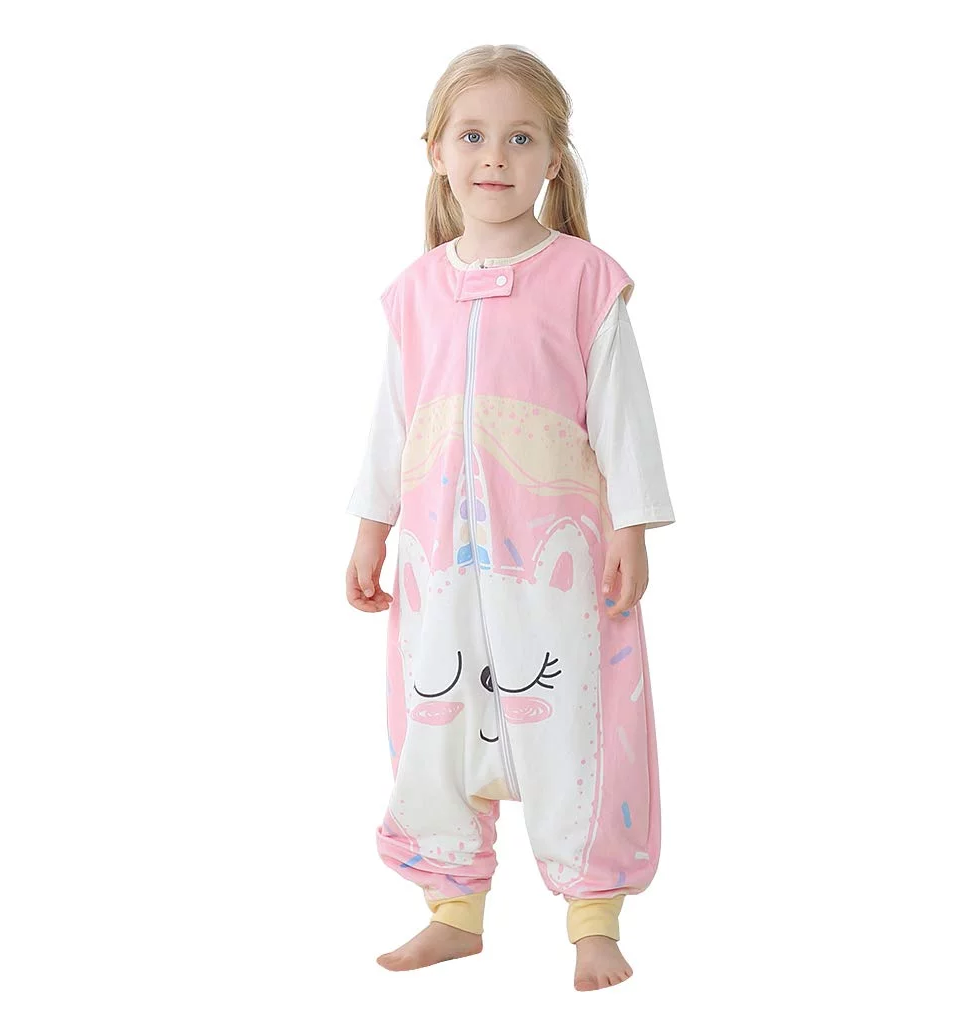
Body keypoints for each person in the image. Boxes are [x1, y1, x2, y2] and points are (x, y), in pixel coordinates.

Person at [344, 44, 676, 992]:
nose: (495, 155)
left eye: (521, 138)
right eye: (473, 135)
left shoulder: (584, 278)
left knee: (574, 715)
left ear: (553, 159)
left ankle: (594, 916)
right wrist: (371, 527)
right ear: (436, 153)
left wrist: (631, 526)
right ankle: (452, 910)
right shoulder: (415, 291)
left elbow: (622, 413)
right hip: (440, 560)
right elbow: (393, 420)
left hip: (555, 560)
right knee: (437, 713)